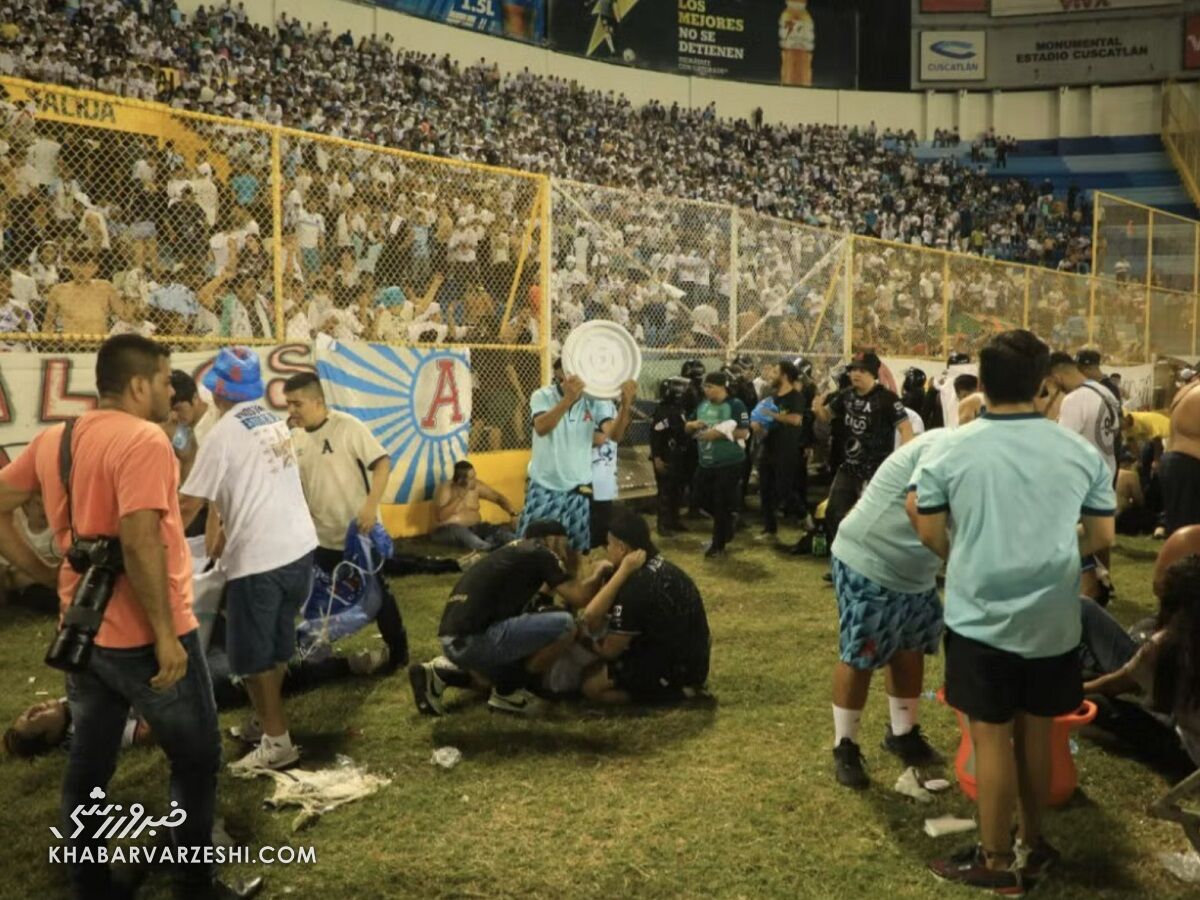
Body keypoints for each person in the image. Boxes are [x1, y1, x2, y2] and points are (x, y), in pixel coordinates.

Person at [0, 334, 253, 899]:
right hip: (144, 635)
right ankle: (193, 883)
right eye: (166, 379)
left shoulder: (57, 439)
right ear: (140, 384)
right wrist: (166, 635)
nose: (171, 389)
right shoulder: (143, 441)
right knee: (196, 756)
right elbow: (140, 543)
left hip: (83, 633)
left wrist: (45, 572)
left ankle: (89, 884)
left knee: (89, 761)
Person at [913, 330, 1115, 894]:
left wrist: (973, 557)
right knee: (1034, 735)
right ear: (1043, 384)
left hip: (979, 617)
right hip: (1052, 617)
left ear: (982, 377)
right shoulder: (1078, 453)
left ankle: (996, 862)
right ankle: (1034, 842)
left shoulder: (949, 448)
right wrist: (1046, 558)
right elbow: (1101, 536)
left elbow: (929, 530)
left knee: (990, 740)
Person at [181, 349, 318, 772]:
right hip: (297, 550)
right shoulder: (269, 421)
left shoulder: (222, 435)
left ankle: (278, 744)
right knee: (275, 649)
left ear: (218, 389)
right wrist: (220, 522)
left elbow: (188, 505)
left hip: (260, 560)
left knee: (253, 660)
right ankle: (266, 723)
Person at [828, 430, 948, 789]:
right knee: (862, 652)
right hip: (872, 558)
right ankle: (844, 745)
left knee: (910, 648)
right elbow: (917, 506)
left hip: (916, 571)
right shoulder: (944, 447)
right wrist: (958, 559)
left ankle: (903, 732)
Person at [407, 519, 609, 717]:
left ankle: (440, 672)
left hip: (454, 639)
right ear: (553, 540)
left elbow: (539, 601)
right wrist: (600, 573)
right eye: (564, 545)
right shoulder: (543, 552)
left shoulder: (514, 553)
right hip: (474, 640)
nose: (565, 553)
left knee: (503, 670)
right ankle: (509, 692)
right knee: (565, 625)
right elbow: (579, 597)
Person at [283, 372, 409, 667]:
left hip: (359, 534)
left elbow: (382, 463)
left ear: (317, 401)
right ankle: (319, 651)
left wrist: (370, 506)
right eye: (288, 404)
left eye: (297, 403)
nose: (291, 411)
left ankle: (399, 651)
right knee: (319, 596)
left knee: (378, 595)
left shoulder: (348, 427)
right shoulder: (295, 437)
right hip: (321, 538)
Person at [579, 508, 711, 705]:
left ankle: (676, 694)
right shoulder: (659, 565)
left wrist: (581, 639)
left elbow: (608, 649)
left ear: (622, 548)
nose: (606, 550)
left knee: (591, 686)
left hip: (678, 669)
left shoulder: (636, 586)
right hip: (694, 656)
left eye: (609, 544)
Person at [515, 360, 619, 567]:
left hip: (578, 486)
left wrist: (624, 406)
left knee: (576, 548)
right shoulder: (542, 395)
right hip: (545, 484)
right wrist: (569, 400)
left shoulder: (597, 402)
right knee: (529, 546)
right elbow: (542, 427)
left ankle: (573, 594)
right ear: (561, 373)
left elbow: (607, 437)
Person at [812, 350, 913, 558]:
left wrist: (903, 460)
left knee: (874, 518)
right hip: (849, 466)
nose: (856, 374)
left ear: (873, 373)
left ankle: (870, 560)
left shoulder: (887, 399)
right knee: (834, 512)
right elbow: (825, 416)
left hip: (877, 470)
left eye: (862, 370)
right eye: (854, 370)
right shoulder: (846, 396)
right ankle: (841, 558)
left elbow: (906, 429)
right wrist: (817, 408)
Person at [686, 372, 750, 559]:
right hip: (706, 462)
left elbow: (744, 433)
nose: (706, 390)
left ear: (722, 387)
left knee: (720, 502)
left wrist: (718, 434)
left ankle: (718, 545)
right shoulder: (703, 405)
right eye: (705, 387)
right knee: (700, 498)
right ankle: (728, 524)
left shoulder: (735, 405)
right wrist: (691, 425)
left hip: (729, 462)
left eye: (710, 387)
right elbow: (688, 426)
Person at [753, 360, 808, 540]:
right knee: (765, 489)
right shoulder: (772, 397)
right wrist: (758, 426)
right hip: (768, 447)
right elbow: (765, 424)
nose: (771, 375)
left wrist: (773, 415)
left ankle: (804, 517)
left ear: (784, 376)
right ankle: (770, 528)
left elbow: (795, 420)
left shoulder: (795, 397)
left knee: (784, 489)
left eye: (775, 371)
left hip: (786, 450)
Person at [589, 379, 638, 550]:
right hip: (588, 474)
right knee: (594, 526)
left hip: (604, 471)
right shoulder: (592, 402)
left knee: (603, 522)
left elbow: (614, 435)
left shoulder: (606, 403)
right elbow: (605, 435)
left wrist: (625, 405)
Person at [432, 460, 519, 552]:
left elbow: (497, 497)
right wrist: (460, 496)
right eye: (472, 478)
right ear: (460, 480)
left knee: (492, 529)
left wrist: (513, 513)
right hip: (448, 531)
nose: (475, 480)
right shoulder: (445, 489)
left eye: (474, 476)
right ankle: (488, 548)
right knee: (460, 531)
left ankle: (517, 541)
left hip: (474, 528)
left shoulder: (476, 486)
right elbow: (440, 516)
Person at [41, 248, 129, 335]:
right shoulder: (58, 290)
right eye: (77, 265)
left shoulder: (105, 287)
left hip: (99, 343)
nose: (81, 270)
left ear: (95, 268)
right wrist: (50, 342)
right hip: (71, 344)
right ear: (70, 266)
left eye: (87, 265)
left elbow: (124, 314)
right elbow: (48, 322)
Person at [649, 377, 692, 537]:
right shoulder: (663, 412)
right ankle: (663, 525)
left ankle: (674, 520)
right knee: (665, 491)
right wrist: (657, 457)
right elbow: (656, 435)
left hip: (678, 455)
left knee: (677, 490)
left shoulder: (678, 409)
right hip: (666, 455)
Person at [1160, 376, 1200, 535]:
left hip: (1177, 461)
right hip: (1188, 464)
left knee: (1180, 526)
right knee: (1186, 530)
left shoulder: (1187, 390)